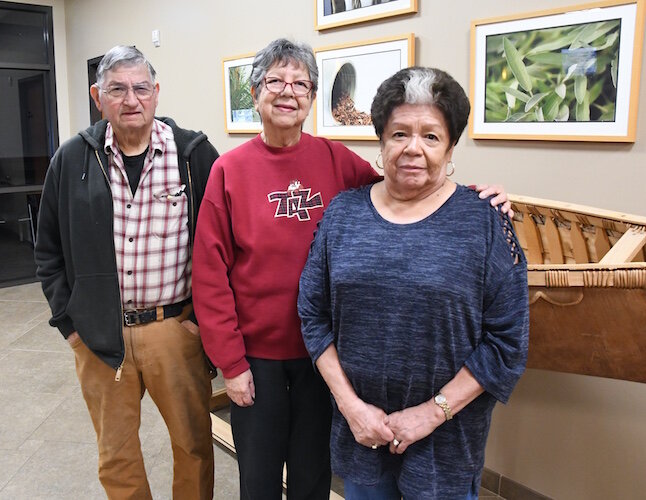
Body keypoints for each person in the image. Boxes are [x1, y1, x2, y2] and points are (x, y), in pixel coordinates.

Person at [192, 39, 512, 499]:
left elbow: (406, 187)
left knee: (313, 473)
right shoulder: (230, 170)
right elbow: (209, 272)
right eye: (275, 81)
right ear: (255, 90)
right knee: (258, 476)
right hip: (256, 358)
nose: (288, 91)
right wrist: (231, 363)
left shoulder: (334, 160)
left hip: (324, 359)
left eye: (300, 83)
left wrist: (477, 196)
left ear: (312, 96)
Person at [298, 66, 529, 499]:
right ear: (381, 141)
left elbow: (507, 341)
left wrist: (430, 414)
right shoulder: (342, 214)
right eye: (400, 133)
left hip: (446, 442)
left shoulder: (484, 221)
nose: (413, 149)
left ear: (451, 146)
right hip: (361, 432)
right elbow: (313, 315)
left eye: (431, 136)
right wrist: (352, 409)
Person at [35, 45, 218, 500]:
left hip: (174, 329)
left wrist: (198, 322)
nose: (130, 99)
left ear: (156, 93)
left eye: (140, 88)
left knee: (193, 446)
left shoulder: (193, 154)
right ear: (99, 97)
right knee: (116, 454)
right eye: (117, 89)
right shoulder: (73, 158)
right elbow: (48, 249)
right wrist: (70, 325)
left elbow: (223, 244)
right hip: (98, 336)